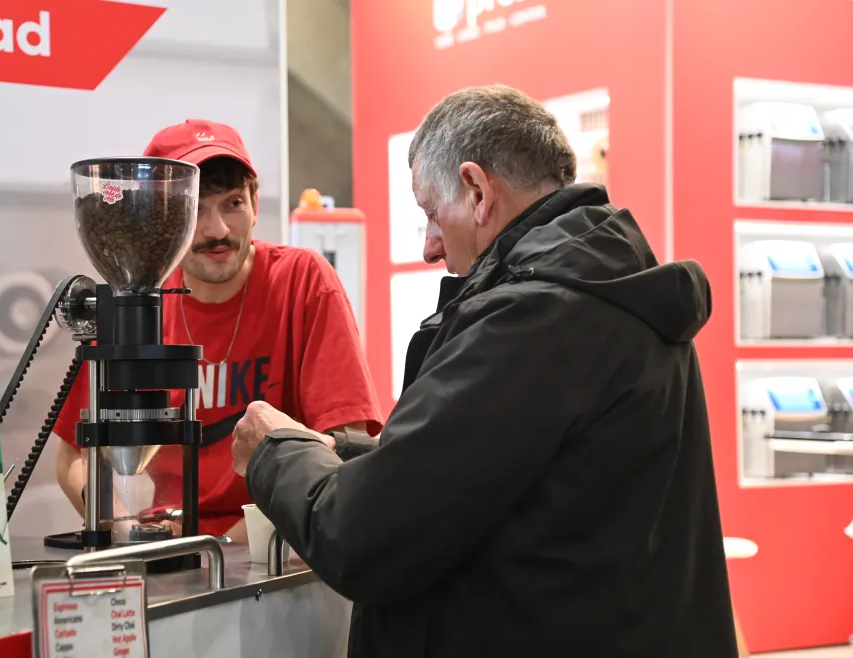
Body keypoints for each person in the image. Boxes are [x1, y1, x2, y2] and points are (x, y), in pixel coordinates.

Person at [231, 85, 738, 657]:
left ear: (476, 191)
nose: (428, 246)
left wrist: (275, 451)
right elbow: (489, 474)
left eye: (429, 213)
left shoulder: (531, 321)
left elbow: (366, 537)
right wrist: (337, 453)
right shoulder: (612, 301)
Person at [54, 118, 383, 542]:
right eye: (195, 210)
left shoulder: (302, 282)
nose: (217, 231)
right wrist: (126, 529)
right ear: (158, 218)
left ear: (255, 204)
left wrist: (230, 542)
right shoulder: (136, 302)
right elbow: (75, 458)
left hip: (274, 547)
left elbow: (346, 444)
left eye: (232, 203)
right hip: (169, 548)